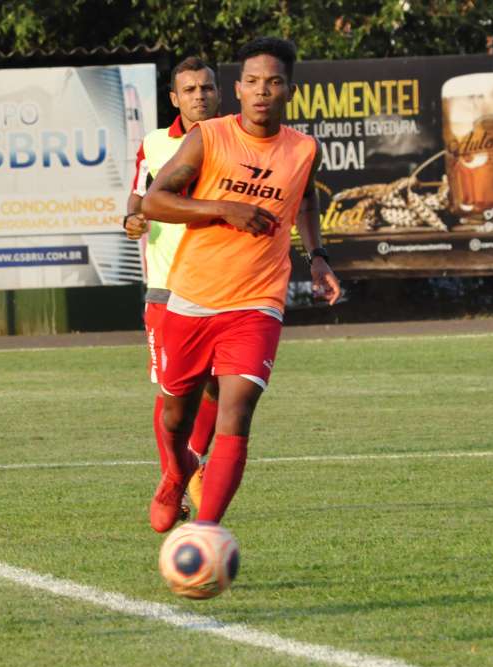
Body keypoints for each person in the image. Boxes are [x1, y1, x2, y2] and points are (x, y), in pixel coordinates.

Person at [141, 38, 341, 533]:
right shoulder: (209, 137)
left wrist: (317, 257)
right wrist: (224, 208)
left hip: (257, 302)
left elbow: (306, 199)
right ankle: (176, 473)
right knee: (175, 417)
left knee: (238, 409)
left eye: (273, 82)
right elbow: (154, 202)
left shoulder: (304, 149)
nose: (262, 91)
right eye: (252, 81)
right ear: (238, 89)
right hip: (192, 296)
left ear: (290, 91)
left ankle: (207, 530)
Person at [124, 57, 222, 513]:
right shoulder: (155, 143)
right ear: (174, 99)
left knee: (219, 387)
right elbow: (137, 196)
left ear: (219, 93)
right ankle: (175, 480)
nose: (199, 95)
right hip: (167, 284)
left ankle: (190, 463)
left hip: (222, 284)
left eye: (206, 88)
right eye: (189, 90)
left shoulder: (237, 140)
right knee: (172, 390)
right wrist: (132, 218)